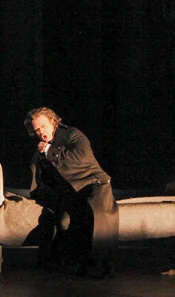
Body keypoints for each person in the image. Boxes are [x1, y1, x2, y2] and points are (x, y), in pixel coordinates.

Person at [26, 107, 118, 278]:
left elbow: (80, 157)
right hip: (71, 192)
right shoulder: (41, 149)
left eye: (43, 126)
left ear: (53, 122)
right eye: (36, 129)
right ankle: (64, 261)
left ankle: (101, 266)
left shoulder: (72, 135)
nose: (40, 132)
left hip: (94, 185)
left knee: (98, 220)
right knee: (62, 221)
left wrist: (48, 152)